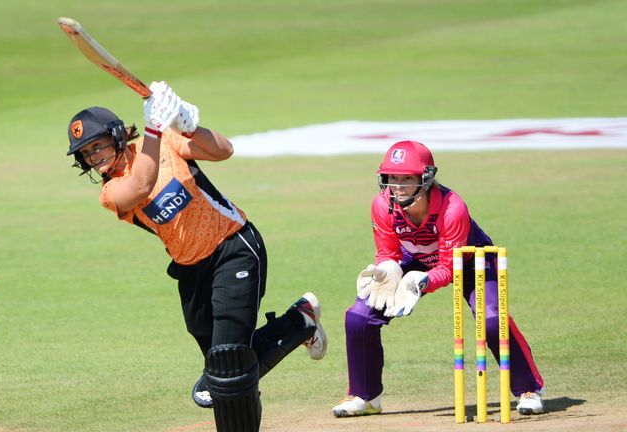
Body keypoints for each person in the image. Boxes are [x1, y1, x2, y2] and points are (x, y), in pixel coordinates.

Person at [65, 81, 326, 431]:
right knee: (226, 369)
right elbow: (142, 185)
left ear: (116, 135)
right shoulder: (111, 192)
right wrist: (155, 127)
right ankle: (298, 322)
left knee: (228, 365)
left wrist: (187, 126)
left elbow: (224, 150)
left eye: (97, 145)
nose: (93, 157)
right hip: (191, 272)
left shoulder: (165, 142)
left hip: (234, 248)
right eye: (86, 153)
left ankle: (296, 325)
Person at [331, 140, 545, 418]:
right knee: (359, 317)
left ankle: (529, 389)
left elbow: (448, 266)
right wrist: (387, 271)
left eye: (407, 179)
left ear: (426, 178)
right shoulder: (382, 205)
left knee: (492, 319)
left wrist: (422, 283)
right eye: (392, 178)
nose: (398, 186)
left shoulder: (452, 208)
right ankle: (365, 396)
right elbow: (387, 252)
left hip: (470, 258)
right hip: (414, 259)